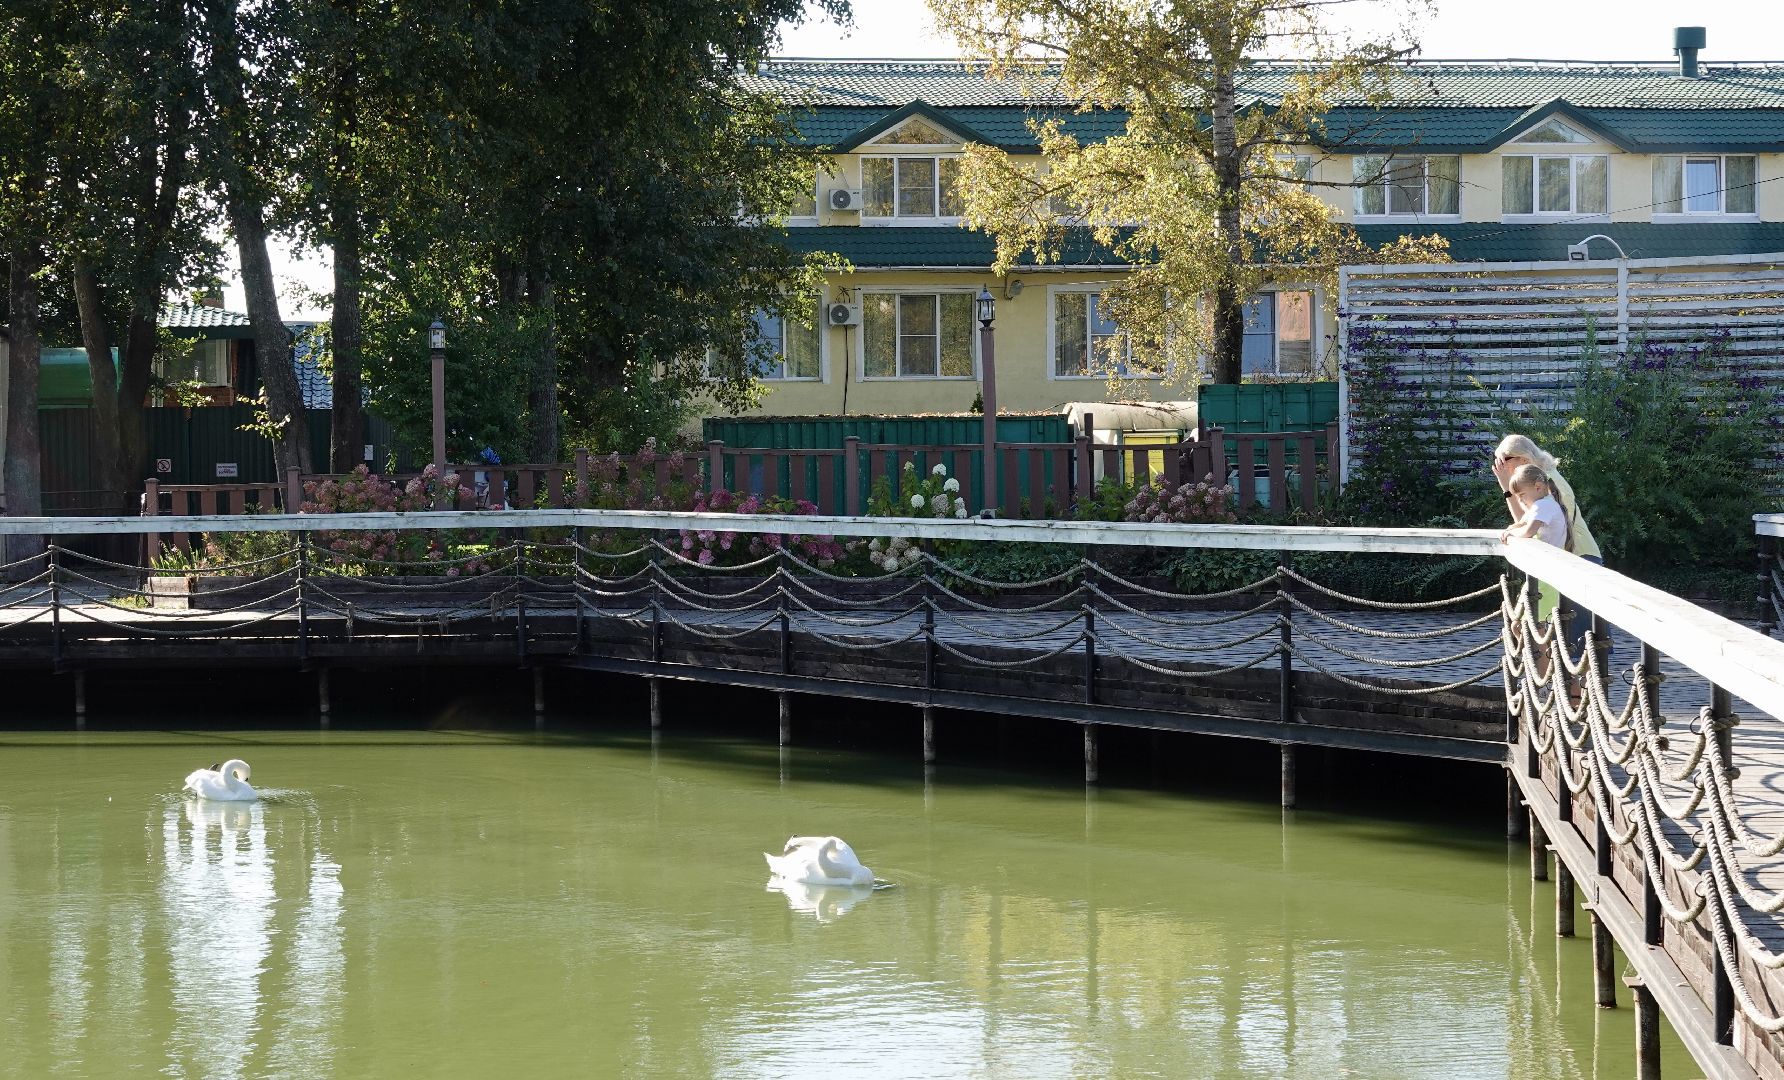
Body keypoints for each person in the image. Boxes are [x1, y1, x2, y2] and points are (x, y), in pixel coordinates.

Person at [1491, 434, 1605, 659]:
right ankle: (1548, 680)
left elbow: (1527, 523)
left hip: (1577, 560)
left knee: (1577, 650)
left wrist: (1507, 487)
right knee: (1554, 641)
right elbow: (1526, 520)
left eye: (1504, 461)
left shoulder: (1547, 485)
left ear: (1524, 459)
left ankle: (1553, 681)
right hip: (1567, 560)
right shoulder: (1543, 480)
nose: (1500, 467)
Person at [1500, 465, 1567, 548]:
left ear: (1538, 487)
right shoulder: (1545, 503)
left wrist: (1512, 533)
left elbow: (1529, 531)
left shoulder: (1543, 504)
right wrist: (1510, 529)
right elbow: (1521, 524)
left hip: (1547, 555)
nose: (1520, 500)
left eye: (1522, 494)